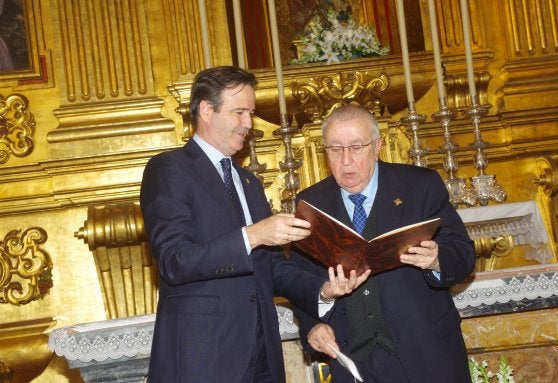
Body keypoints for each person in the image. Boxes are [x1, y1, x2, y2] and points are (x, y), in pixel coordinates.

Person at [140, 66, 370, 383]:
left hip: (262, 356)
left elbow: (271, 267)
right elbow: (174, 260)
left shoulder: (248, 182)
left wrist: (323, 290)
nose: (249, 124)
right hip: (204, 359)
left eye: (250, 112)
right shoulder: (169, 169)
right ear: (206, 110)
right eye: (239, 112)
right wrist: (253, 235)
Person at [290, 104, 476, 382]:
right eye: (335, 149)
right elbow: (299, 280)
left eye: (356, 147)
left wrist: (437, 259)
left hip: (425, 353)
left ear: (377, 146)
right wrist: (313, 326)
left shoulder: (420, 186)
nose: (345, 160)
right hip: (351, 361)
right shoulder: (312, 203)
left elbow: (463, 254)